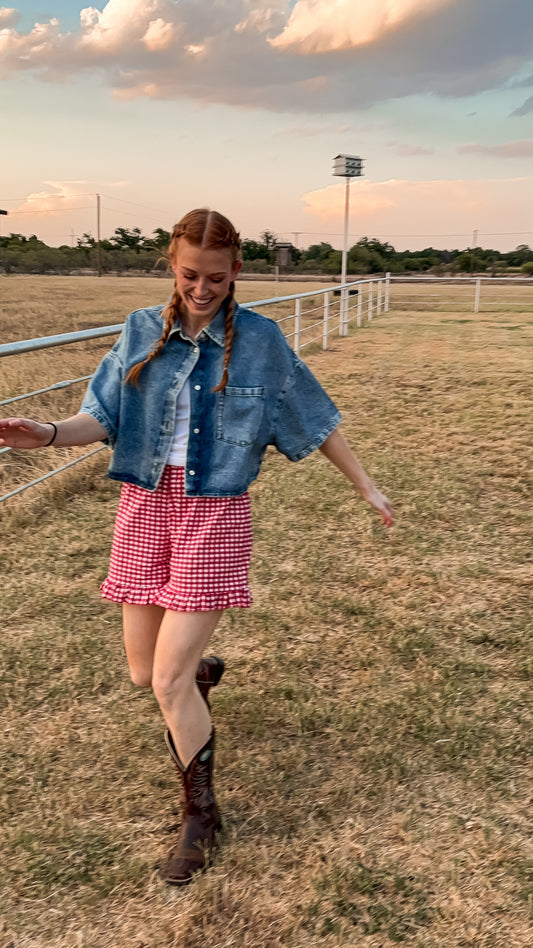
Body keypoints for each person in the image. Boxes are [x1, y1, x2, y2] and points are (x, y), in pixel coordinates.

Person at [0, 208, 394, 886]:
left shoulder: (262, 342)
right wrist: (47, 432)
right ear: (172, 268)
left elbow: (313, 415)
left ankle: (200, 818)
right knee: (141, 674)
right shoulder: (140, 331)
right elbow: (102, 415)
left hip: (214, 509)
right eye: (189, 275)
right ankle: (199, 675)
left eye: (215, 277)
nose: (202, 289)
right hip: (145, 505)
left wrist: (365, 486)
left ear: (236, 271)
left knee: (165, 680)